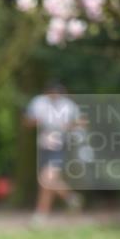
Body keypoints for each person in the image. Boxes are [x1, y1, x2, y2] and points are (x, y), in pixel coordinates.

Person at [23, 80, 84, 225]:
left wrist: (68, 126)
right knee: (47, 181)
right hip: (44, 145)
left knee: (46, 179)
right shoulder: (38, 103)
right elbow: (27, 122)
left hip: (60, 145)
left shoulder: (68, 106)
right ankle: (70, 198)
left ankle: (40, 215)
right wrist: (35, 121)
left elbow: (80, 122)